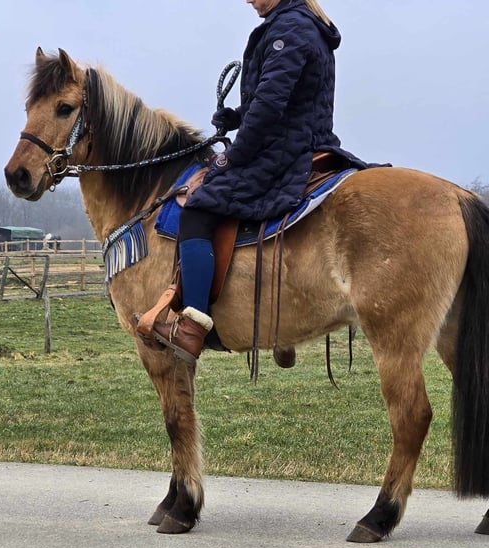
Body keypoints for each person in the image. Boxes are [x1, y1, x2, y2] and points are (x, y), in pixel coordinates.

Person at [140, 0, 365, 363]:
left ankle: (192, 328)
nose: (247, 0)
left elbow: (270, 108)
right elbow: (283, 99)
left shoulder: (289, 27)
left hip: (282, 153)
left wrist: (235, 154)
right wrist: (235, 117)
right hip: (303, 142)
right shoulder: (302, 24)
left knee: (197, 209)